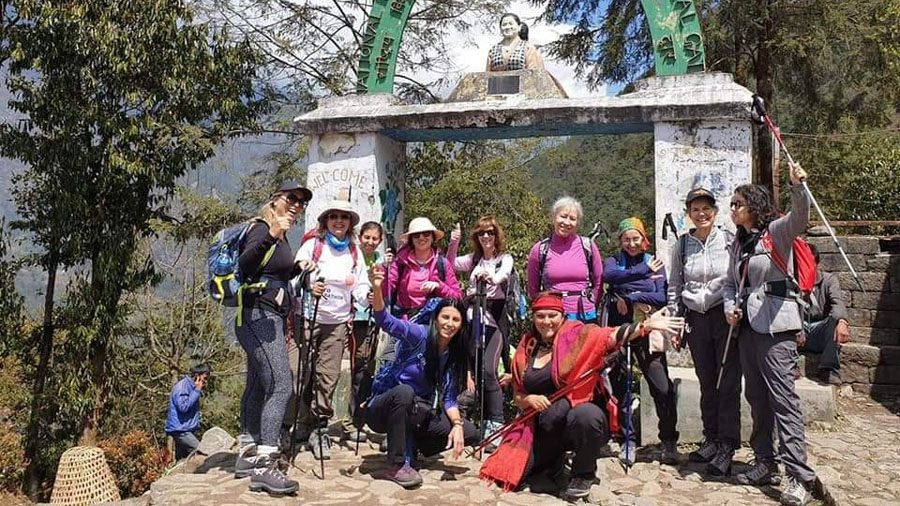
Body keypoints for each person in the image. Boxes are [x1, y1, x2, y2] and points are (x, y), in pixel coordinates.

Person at [479, 293, 685, 498]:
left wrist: (645, 326)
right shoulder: (528, 345)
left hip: (577, 420)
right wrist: (529, 400)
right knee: (522, 475)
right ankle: (553, 462)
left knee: (586, 416)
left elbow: (609, 336)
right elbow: (518, 394)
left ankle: (583, 473)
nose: (546, 322)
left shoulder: (577, 336)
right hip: (540, 425)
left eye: (552, 315)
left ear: (562, 316)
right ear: (533, 318)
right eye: (540, 316)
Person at [724, 163, 827, 506]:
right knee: (756, 396)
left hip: (777, 326)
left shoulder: (777, 233)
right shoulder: (738, 243)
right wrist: (729, 308)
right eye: (732, 204)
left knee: (784, 401)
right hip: (749, 329)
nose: (733, 209)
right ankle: (765, 461)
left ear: (753, 205)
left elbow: (800, 217)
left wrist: (799, 187)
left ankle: (797, 474)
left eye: (737, 203)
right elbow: (730, 284)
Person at [364, 264, 479, 489]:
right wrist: (377, 287)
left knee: (470, 432)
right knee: (405, 393)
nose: (449, 324)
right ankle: (396, 464)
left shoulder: (452, 354)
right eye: (445, 317)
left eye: (456, 320)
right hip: (383, 409)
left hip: (418, 411)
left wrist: (456, 424)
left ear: (461, 325)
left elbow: (448, 399)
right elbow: (385, 321)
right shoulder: (418, 335)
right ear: (436, 319)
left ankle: (413, 446)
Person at [233, 181, 309, 495]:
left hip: (267, 317)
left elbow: (270, 273)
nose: (296, 205)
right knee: (281, 384)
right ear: (275, 200)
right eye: (292, 198)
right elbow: (245, 264)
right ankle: (266, 464)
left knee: (257, 384)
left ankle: (247, 455)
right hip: (257, 317)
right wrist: (274, 234)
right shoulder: (261, 227)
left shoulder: (280, 234)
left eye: (301, 202)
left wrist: (297, 270)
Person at [666, 188, 740, 476]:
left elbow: (737, 278)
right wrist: (675, 320)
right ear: (689, 214)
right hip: (696, 318)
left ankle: (727, 445)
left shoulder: (730, 241)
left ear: (715, 211)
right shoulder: (683, 246)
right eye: (695, 209)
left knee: (728, 382)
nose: (702, 213)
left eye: (706, 208)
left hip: (724, 317)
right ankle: (711, 438)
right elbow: (674, 285)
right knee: (707, 381)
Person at [292, 198, 370, 461]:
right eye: (334, 216)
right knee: (300, 373)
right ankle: (297, 423)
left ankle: (319, 427)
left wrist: (367, 297)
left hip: (336, 323)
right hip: (306, 318)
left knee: (328, 376)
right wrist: (307, 283)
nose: (339, 221)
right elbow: (295, 274)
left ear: (350, 224)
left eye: (344, 217)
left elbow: (360, 286)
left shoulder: (355, 253)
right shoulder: (312, 246)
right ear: (325, 220)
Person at [603, 217, 678, 466]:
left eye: (636, 238)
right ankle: (628, 439)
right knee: (622, 385)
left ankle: (668, 439)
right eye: (627, 239)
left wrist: (628, 292)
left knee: (661, 387)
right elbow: (608, 276)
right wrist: (642, 275)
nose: (631, 243)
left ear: (643, 239)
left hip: (648, 330)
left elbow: (660, 296)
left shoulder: (654, 260)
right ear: (621, 241)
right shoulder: (616, 261)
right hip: (622, 331)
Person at [447, 217, 515, 451]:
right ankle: (466, 423)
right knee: (471, 372)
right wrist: (454, 242)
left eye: (490, 233)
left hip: (493, 323)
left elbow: (504, 274)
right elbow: (450, 265)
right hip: (470, 320)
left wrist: (490, 279)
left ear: (497, 235)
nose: (486, 237)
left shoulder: (503, 259)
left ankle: (495, 425)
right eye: (481, 234)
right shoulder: (473, 259)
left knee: (488, 370)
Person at [526, 196, 604, 322]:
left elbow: (599, 281)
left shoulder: (588, 246)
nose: (566, 222)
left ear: (577, 223)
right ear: (553, 217)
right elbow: (532, 288)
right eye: (563, 216)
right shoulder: (540, 249)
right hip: (553, 317)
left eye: (572, 219)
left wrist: (592, 303)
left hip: (585, 315)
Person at [345, 221, 388, 443]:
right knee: (357, 367)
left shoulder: (381, 262)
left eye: (374, 238)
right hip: (355, 319)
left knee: (370, 368)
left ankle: (364, 417)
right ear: (360, 236)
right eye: (367, 237)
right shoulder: (351, 256)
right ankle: (353, 420)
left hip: (374, 320)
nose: (370, 242)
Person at [383, 217, 462, 319]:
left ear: (432, 237)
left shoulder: (442, 263)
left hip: (432, 323)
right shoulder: (400, 262)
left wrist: (439, 286)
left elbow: (457, 296)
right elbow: (385, 292)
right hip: (404, 324)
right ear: (411, 239)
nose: (421, 238)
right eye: (416, 235)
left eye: (426, 234)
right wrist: (385, 268)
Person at [797, 244, 850, 385]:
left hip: (820, 329)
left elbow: (837, 302)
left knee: (834, 321)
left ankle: (828, 369)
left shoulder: (828, 280)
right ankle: (790, 365)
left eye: (810, 264)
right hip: (798, 329)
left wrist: (842, 321)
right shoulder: (792, 281)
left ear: (817, 264)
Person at [165, 364, 211, 461]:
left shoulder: (190, 387)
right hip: (181, 430)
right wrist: (197, 391)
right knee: (199, 452)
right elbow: (183, 407)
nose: (206, 382)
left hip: (185, 429)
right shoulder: (183, 388)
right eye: (205, 378)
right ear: (197, 376)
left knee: (183, 459)